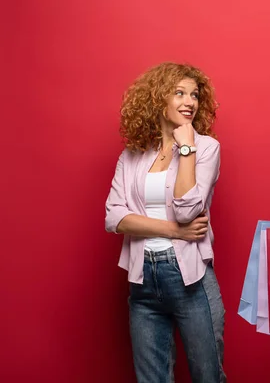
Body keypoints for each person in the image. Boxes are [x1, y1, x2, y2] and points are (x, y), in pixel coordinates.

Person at [104, 62, 226, 383]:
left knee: (207, 376)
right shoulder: (132, 155)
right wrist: (173, 231)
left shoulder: (206, 148)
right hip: (143, 276)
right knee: (151, 378)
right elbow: (114, 216)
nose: (190, 102)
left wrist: (186, 147)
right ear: (159, 99)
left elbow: (187, 210)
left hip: (189, 277)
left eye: (195, 95)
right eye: (179, 93)